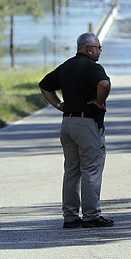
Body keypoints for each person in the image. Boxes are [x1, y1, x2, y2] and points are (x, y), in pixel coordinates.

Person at [39, 32, 114, 229]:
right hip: (87, 124)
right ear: (89, 49)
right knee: (91, 169)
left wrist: (59, 105)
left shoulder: (66, 66)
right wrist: (99, 101)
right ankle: (91, 216)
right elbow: (104, 84)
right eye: (98, 47)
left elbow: (45, 85)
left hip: (68, 123)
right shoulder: (93, 67)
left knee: (71, 171)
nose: (100, 51)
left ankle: (70, 216)